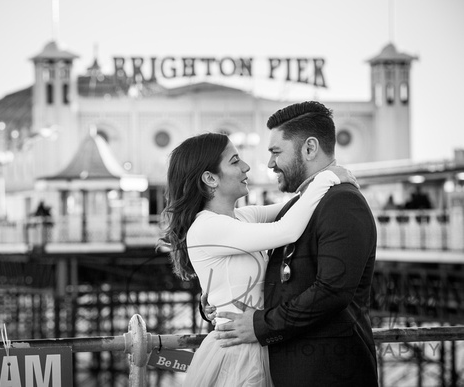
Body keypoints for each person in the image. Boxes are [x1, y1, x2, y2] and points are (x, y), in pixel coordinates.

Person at [158, 132, 355, 386]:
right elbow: (287, 230)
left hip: (261, 342)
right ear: (210, 178)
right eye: (235, 161)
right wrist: (329, 176)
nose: (246, 167)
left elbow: (297, 206)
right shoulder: (206, 227)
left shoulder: (242, 217)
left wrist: (323, 177)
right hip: (236, 354)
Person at [213, 101, 379, 386]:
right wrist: (219, 300)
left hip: (330, 374)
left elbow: (332, 291)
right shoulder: (301, 205)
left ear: (310, 148)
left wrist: (261, 325)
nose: (269, 163)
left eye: (276, 151)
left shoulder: (342, 202)